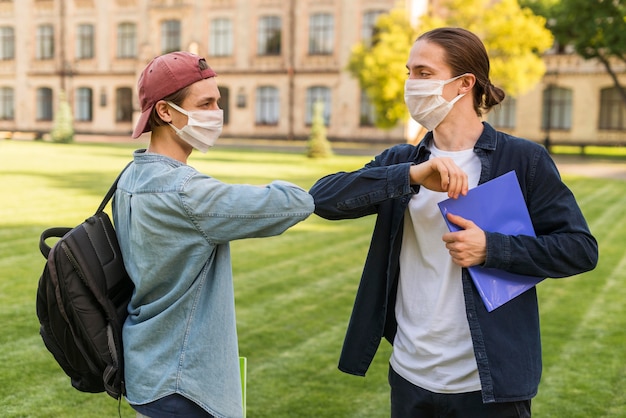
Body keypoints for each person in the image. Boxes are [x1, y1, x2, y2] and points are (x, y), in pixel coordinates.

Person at [309, 27, 598, 418]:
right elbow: (322, 199)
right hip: (410, 374)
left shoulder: (523, 160)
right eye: (409, 72)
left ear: (464, 83)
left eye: (424, 73)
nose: (411, 83)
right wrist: (409, 176)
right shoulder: (403, 161)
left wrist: (492, 249)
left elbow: (580, 249)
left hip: (487, 381)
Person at [112, 51, 314, 418]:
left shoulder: (130, 176)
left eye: (217, 102)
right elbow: (291, 204)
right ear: (165, 112)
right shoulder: (186, 191)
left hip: (147, 368)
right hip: (183, 384)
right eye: (205, 103)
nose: (216, 113)